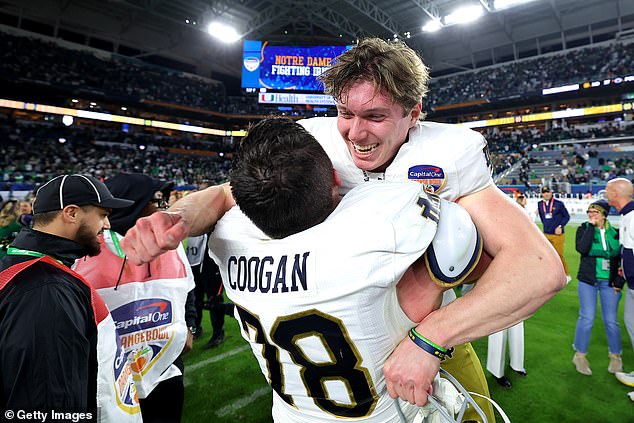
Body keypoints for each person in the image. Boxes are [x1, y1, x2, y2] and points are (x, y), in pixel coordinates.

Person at [120, 37, 566, 414]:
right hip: (335, 324)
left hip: (420, 324)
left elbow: (539, 268)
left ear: (414, 114)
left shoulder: (448, 154)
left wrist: (432, 338)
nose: (354, 132)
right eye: (346, 113)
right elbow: (223, 193)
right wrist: (175, 220)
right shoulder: (316, 141)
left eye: (375, 116)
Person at [208, 117, 484, 421]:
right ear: (336, 178)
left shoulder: (226, 238)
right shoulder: (379, 224)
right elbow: (457, 233)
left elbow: (224, 202)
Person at [0, 174, 141, 422]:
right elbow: (48, 406)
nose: (107, 225)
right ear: (72, 213)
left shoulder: (25, 264)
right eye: (103, 214)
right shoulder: (48, 289)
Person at [73, 173, 195, 423]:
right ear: (133, 203)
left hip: (165, 371)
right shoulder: (83, 252)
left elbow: (188, 291)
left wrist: (189, 326)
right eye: (157, 200)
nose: (164, 208)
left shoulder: (171, 245)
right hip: (107, 379)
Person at [571, 199, 623, 376]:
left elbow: (619, 259)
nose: (591, 214)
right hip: (588, 280)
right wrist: (592, 226)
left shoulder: (615, 233)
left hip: (609, 282)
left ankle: (615, 355)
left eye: (595, 212)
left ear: (604, 214)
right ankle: (580, 355)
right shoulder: (583, 229)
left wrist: (618, 282)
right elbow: (583, 249)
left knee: (611, 321)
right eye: (589, 211)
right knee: (587, 318)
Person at [485, 196, 529, 388]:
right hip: (497, 281)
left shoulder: (521, 225)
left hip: (518, 279)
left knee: (518, 324)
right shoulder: (488, 226)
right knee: (498, 327)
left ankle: (517, 364)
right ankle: (497, 371)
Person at [606, 178, 634, 399]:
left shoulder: (633, 217)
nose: (606, 195)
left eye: (608, 191)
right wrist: (620, 279)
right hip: (631, 285)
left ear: (616, 193)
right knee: (631, 324)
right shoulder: (626, 216)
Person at [537, 186, 571, 282]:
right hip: (546, 234)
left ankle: (567, 274)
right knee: (547, 256)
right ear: (542, 194)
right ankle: (551, 274)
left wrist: (560, 226)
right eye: (544, 193)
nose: (546, 194)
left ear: (551, 193)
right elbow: (542, 217)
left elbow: (567, 217)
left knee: (559, 255)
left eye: (548, 192)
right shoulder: (540, 204)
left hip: (557, 235)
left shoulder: (558, 204)